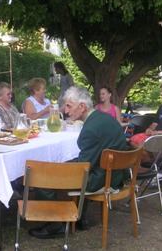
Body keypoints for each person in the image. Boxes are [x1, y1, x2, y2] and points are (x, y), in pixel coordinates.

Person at [29, 86, 128, 239]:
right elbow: (90, 160)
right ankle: (80, 217)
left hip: (103, 179)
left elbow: (84, 167)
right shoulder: (105, 118)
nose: (66, 111)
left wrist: (58, 168)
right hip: (114, 174)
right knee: (69, 167)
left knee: (43, 178)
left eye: (69, 106)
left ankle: (54, 225)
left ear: (82, 106)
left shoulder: (91, 128)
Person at [129, 81, 162, 149]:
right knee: (133, 139)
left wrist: (158, 132)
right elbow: (155, 123)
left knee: (143, 144)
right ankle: (146, 156)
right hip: (154, 134)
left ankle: (147, 156)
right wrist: (149, 129)